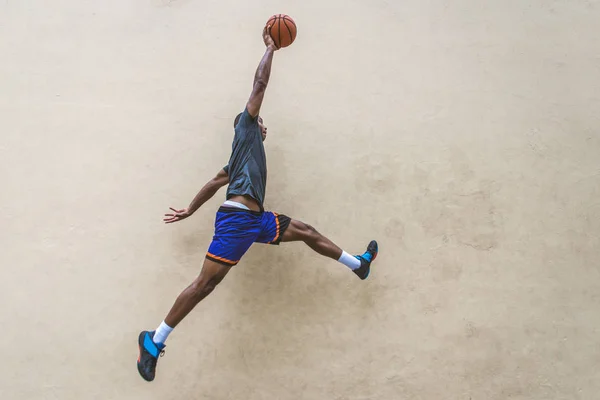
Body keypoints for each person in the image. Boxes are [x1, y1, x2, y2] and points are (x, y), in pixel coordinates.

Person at [136, 25, 378, 382]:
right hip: (238, 222)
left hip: (257, 220)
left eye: (260, 121)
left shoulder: (242, 157)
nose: (262, 124)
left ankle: (358, 264)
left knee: (307, 232)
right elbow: (259, 87)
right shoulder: (245, 130)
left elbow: (215, 182)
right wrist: (271, 49)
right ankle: (154, 341)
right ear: (249, 124)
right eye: (258, 120)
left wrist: (190, 208)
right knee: (205, 285)